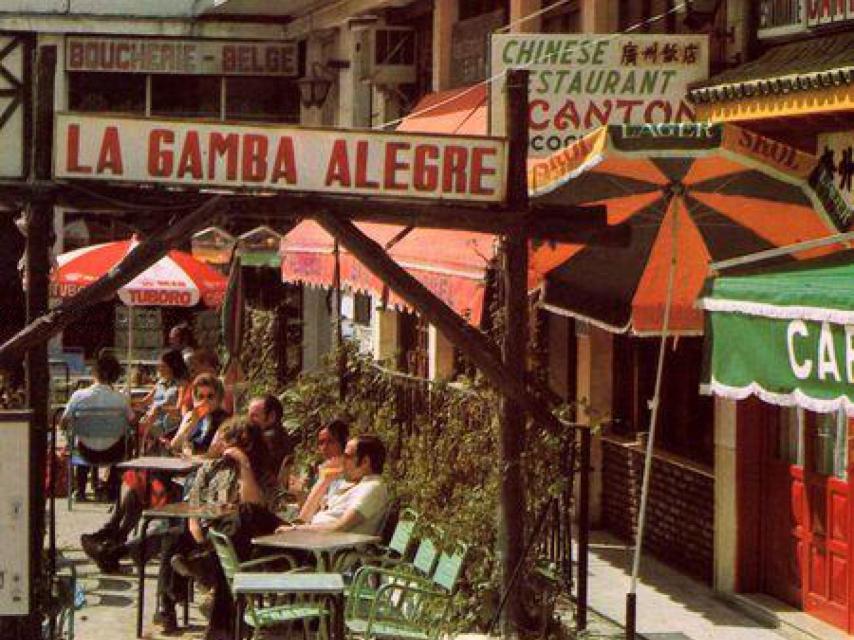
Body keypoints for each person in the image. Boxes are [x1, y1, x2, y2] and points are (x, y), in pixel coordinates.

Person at [154, 417, 267, 634]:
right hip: (206, 533)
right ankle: (166, 608)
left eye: (228, 442)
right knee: (172, 536)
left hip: (238, 535)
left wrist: (243, 465)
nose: (222, 445)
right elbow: (194, 507)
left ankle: (206, 572)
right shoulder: (211, 468)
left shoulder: (257, 470)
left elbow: (254, 506)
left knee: (226, 541)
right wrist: (199, 537)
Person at [61, 352, 134, 500]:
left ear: (94, 372)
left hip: (85, 453)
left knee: (80, 439)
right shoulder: (120, 399)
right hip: (112, 453)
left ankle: (80, 489)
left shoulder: (78, 396)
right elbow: (132, 421)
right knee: (127, 440)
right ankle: (112, 487)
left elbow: (63, 422)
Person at [136, 349, 189, 452]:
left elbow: (178, 409)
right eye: (159, 365)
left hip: (167, 421)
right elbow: (144, 402)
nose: (159, 368)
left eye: (163, 366)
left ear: (172, 367)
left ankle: (141, 450)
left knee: (140, 427)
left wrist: (159, 408)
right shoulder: (160, 383)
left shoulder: (181, 385)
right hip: (151, 418)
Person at [168, 373, 229, 456]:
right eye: (201, 397)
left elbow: (212, 453)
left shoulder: (225, 420)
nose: (205, 401)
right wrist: (191, 423)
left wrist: (190, 456)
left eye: (210, 396)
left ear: (218, 398)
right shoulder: (191, 416)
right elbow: (174, 446)